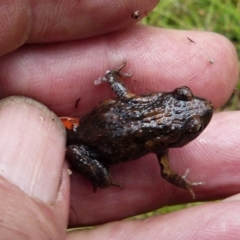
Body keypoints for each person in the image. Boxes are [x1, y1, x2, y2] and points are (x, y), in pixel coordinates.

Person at [0, 1, 239, 239]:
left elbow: (119, 88)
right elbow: (167, 174)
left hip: (83, 124)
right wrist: (183, 183)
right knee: (101, 178)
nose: (204, 104)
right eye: (184, 94)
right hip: (87, 143)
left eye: (193, 126)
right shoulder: (159, 140)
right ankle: (99, 176)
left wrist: (112, 76)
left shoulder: (137, 102)